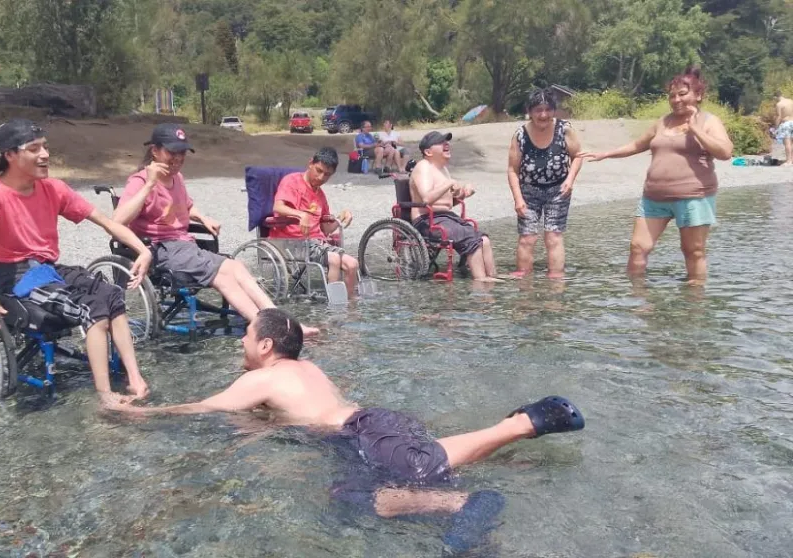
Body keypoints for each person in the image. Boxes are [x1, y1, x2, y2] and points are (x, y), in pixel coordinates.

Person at [116, 308, 586, 554]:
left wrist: (140, 414)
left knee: (410, 472)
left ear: (264, 345)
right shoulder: (308, 368)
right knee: (363, 490)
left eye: (246, 334)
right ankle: (485, 482)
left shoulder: (261, 377)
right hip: (373, 422)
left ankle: (522, 428)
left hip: (358, 434)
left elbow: (204, 408)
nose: (240, 340)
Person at [0, 119, 152, 409]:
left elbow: (106, 221)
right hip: (12, 275)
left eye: (45, 147)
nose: (45, 155)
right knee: (92, 308)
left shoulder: (53, 188)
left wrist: (142, 250)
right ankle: (106, 397)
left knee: (112, 295)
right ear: (10, 155)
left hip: (47, 268)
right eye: (34, 149)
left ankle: (135, 378)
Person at [113, 123, 319, 336]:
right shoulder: (139, 181)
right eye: (171, 152)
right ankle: (269, 329)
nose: (178, 158)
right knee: (223, 276)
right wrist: (149, 184)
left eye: (182, 153)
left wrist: (203, 217)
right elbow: (117, 220)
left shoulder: (177, 178)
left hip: (185, 246)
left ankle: (281, 322)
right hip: (160, 250)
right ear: (155, 151)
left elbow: (186, 205)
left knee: (236, 266)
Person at [581, 66, 733, 283]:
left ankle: (694, 307)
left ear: (698, 95)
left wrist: (695, 129)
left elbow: (725, 152)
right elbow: (637, 144)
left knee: (693, 251)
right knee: (637, 248)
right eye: (672, 95)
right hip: (654, 197)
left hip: (693, 197)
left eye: (682, 94)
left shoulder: (709, 121)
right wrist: (605, 153)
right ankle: (637, 301)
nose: (676, 100)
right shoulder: (663, 122)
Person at [506, 88, 584, 279]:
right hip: (528, 190)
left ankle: (556, 279)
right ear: (530, 111)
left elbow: (578, 156)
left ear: (554, 110)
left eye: (548, 110)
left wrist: (570, 180)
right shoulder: (521, 135)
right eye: (538, 110)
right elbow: (512, 170)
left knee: (553, 236)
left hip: (558, 189)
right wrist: (518, 199)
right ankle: (523, 279)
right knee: (527, 238)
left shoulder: (564, 129)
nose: (543, 115)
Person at [269, 147, 361, 298]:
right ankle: (335, 307)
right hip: (293, 242)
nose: (321, 177)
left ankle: (351, 307)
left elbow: (326, 230)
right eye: (319, 170)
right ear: (310, 163)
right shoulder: (292, 181)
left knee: (352, 264)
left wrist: (340, 218)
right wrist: (300, 215)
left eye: (327, 175)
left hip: (317, 243)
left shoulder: (320, 194)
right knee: (334, 258)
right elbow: (278, 207)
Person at [410, 130, 500, 282]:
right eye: (441, 142)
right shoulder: (423, 167)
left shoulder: (442, 169)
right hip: (427, 220)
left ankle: (492, 275)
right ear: (428, 151)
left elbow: (447, 203)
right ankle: (481, 280)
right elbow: (426, 198)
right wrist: (450, 183)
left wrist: (464, 193)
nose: (446, 144)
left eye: (447, 141)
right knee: (472, 239)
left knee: (484, 239)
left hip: (445, 217)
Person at [773, 91, 793, 166]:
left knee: (787, 143)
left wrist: (775, 127)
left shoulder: (779, 104)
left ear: (775, 97)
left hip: (786, 124)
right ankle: (792, 159)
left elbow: (779, 116)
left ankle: (788, 161)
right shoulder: (791, 101)